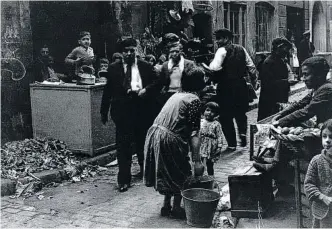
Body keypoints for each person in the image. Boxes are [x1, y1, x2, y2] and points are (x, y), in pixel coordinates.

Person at [144, 67, 205, 219]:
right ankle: (177, 208)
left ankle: (166, 205)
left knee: (166, 171)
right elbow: (194, 133)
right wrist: (197, 161)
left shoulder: (177, 95)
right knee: (181, 171)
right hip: (169, 138)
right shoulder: (194, 100)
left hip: (155, 133)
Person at [254, 56, 332, 172]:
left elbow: (306, 112)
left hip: (327, 134)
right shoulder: (318, 88)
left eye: (306, 74)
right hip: (323, 128)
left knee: (291, 132)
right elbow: (299, 104)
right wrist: (280, 115)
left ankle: (276, 164)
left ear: (319, 75)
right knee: (289, 128)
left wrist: (279, 122)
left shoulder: (326, 89)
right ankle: (276, 158)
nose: (303, 78)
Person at [100, 37, 157, 192]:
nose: (129, 53)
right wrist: (103, 111)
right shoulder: (113, 68)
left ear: (136, 51)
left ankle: (146, 171)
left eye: (132, 50)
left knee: (142, 143)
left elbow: (157, 82)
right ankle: (124, 179)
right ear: (121, 52)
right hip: (122, 112)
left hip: (141, 111)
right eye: (126, 51)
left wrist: (146, 90)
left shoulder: (145, 66)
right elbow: (108, 90)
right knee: (123, 146)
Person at [207, 28, 257, 151]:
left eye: (219, 38)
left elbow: (214, 68)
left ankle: (232, 144)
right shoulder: (241, 49)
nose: (217, 41)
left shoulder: (221, 51)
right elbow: (251, 67)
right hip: (240, 85)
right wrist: (254, 81)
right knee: (240, 113)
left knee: (225, 116)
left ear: (227, 39)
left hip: (225, 87)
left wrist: (207, 70)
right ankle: (243, 133)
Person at [304, 119, 332, 228]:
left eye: (331, 136)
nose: (327, 140)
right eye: (324, 136)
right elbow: (308, 185)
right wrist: (322, 197)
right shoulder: (316, 161)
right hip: (322, 211)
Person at [257, 37, 292, 121]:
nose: (287, 51)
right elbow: (267, 83)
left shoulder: (279, 60)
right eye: (286, 49)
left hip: (279, 97)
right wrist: (286, 82)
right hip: (270, 100)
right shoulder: (269, 62)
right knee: (268, 120)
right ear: (279, 48)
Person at [156, 33, 196, 107]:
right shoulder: (164, 60)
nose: (175, 52)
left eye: (177, 46)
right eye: (172, 46)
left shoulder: (186, 60)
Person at [200, 102, 223, 176]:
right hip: (202, 145)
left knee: (209, 163)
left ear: (216, 114)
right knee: (200, 162)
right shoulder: (201, 122)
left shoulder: (216, 124)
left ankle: (211, 177)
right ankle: (200, 177)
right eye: (207, 110)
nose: (209, 113)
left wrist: (219, 147)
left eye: (212, 112)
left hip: (211, 147)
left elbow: (219, 136)